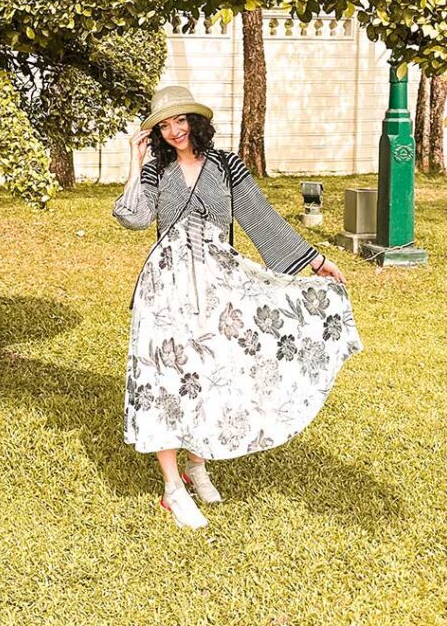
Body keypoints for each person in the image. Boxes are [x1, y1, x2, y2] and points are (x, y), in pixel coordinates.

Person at [113, 85, 362, 529]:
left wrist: (316, 261)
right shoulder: (155, 170)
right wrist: (135, 164)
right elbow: (132, 218)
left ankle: (197, 465)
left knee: (210, 370)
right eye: (164, 125)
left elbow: (260, 217)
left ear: (195, 121)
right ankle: (172, 487)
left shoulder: (226, 164)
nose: (173, 132)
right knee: (168, 374)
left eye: (180, 121)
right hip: (166, 284)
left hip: (217, 280)